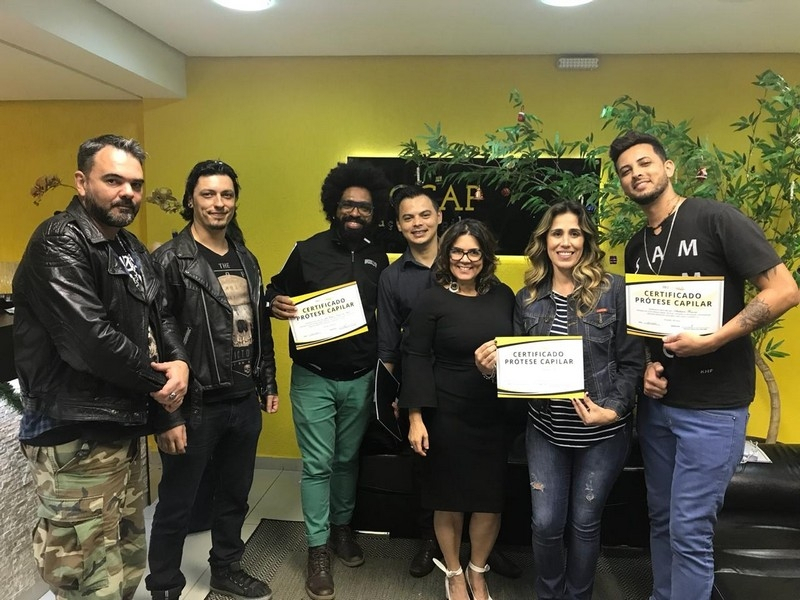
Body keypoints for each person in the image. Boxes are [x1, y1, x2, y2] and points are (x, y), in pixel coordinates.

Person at [610, 130, 800, 600]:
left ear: (668, 167)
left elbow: (784, 291)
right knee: (661, 518)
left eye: (644, 164)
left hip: (713, 411)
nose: (637, 174)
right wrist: (652, 366)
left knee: (690, 530)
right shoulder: (637, 246)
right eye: (626, 171)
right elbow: (655, 323)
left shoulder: (715, 218)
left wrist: (715, 339)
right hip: (658, 410)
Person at [13, 134, 191, 600]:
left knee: (125, 562)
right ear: (81, 181)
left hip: (120, 428)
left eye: (134, 184)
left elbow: (160, 314)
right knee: (86, 572)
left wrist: (180, 365)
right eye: (113, 180)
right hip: (73, 433)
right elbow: (89, 341)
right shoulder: (58, 241)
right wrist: (160, 381)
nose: (127, 193)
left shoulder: (127, 245)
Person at [146, 160, 279, 600]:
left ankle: (225, 567)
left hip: (242, 401)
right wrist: (166, 416)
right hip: (194, 402)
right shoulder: (169, 259)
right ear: (191, 200)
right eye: (208, 194)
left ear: (235, 201)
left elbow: (258, 324)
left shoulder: (245, 258)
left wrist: (267, 380)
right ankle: (164, 584)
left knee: (236, 494)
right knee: (178, 503)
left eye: (226, 195)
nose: (218, 203)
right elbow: (154, 339)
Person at [266, 161, 390, 600]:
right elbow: (272, 292)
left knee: (346, 461)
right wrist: (275, 303)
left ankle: (342, 530)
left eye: (364, 207)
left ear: (373, 214)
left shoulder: (379, 256)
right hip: (314, 377)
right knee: (318, 465)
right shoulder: (307, 250)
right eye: (347, 205)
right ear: (333, 208)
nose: (355, 212)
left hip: (360, 376)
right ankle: (317, 549)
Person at [513, 201, 644, 600]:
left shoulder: (614, 290)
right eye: (557, 233)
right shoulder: (527, 297)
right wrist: (493, 363)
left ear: (586, 241)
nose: (565, 242)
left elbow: (632, 362)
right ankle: (549, 594)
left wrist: (614, 410)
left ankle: (578, 596)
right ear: (544, 241)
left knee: (585, 523)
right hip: (546, 430)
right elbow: (521, 367)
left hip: (603, 433)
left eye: (574, 233)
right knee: (546, 523)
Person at [400, 219, 515, 600]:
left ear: (486, 256)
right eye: (457, 251)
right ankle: (453, 571)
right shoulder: (432, 298)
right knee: (447, 498)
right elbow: (414, 357)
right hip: (444, 413)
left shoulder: (503, 296)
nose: (465, 259)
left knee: (488, 499)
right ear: (447, 254)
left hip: (491, 413)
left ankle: (477, 570)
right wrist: (415, 418)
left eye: (473, 252)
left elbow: (519, 351)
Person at [376, 184, 443, 576]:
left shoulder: (463, 262)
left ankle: (482, 543)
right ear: (399, 226)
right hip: (416, 387)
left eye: (424, 215)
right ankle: (427, 541)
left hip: (466, 384)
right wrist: (393, 397)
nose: (417, 223)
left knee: (473, 465)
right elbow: (387, 347)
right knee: (424, 468)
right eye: (408, 217)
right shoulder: (391, 277)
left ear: (438, 217)